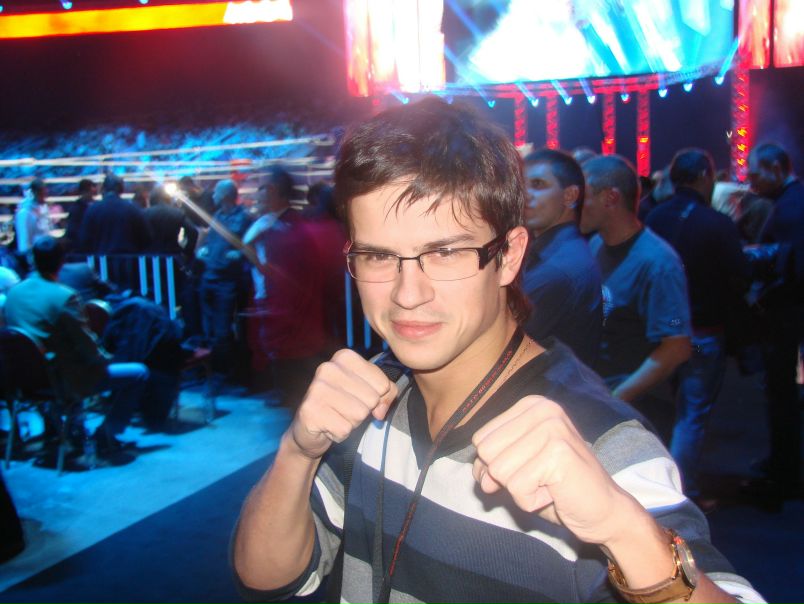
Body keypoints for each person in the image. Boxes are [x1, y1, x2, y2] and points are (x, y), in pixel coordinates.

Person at [232, 98, 762, 604]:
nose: (407, 294)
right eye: (378, 256)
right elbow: (268, 579)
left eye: (445, 253)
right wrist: (297, 452)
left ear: (508, 256)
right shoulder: (372, 391)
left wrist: (624, 530)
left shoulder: (603, 447)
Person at [645, 148, 749, 499]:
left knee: (666, 411)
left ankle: (658, 484)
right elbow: (739, 273)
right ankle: (680, 495)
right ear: (705, 177)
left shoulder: (654, 217)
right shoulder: (716, 223)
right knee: (691, 416)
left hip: (661, 332)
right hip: (702, 332)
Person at [580, 154, 692, 442]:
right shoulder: (597, 245)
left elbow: (676, 347)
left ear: (611, 198)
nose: (576, 204)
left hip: (640, 410)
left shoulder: (658, 263)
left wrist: (616, 399)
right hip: (601, 400)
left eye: (584, 196)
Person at [3, 236, 150, 451]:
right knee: (139, 372)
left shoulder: (14, 293)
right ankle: (107, 434)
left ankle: (66, 427)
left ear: (33, 260)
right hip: (64, 381)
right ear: (62, 262)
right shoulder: (64, 297)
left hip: (23, 381)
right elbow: (88, 348)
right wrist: (108, 359)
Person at [745, 142, 804, 502]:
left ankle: (785, 472)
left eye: (755, 175)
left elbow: (789, 267)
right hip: (788, 315)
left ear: (777, 169)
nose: (751, 182)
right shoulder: (790, 201)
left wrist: (762, 291)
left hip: (786, 318)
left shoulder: (791, 207)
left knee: (782, 396)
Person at [521, 148, 602, 366]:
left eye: (537, 184)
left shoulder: (558, 269)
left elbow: (501, 344)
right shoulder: (554, 252)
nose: (525, 194)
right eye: (521, 185)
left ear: (569, 196)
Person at [197, 179, 252, 399]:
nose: (212, 196)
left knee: (222, 332)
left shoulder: (244, 217)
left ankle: (223, 375)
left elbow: (250, 245)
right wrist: (204, 251)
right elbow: (211, 241)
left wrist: (238, 255)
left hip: (227, 282)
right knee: (210, 331)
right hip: (209, 278)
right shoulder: (217, 216)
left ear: (226, 195)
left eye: (216, 192)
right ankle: (214, 373)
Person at [14, 178, 53, 263]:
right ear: (35, 193)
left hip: (45, 254)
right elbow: (24, 241)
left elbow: (46, 230)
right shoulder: (24, 213)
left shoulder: (44, 208)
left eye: (45, 194)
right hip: (32, 257)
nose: (44, 197)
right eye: (41, 194)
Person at [63, 178, 97, 253]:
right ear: (83, 192)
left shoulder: (96, 206)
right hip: (80, 246)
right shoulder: (76, 208)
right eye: (89, 191)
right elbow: (72, 230)